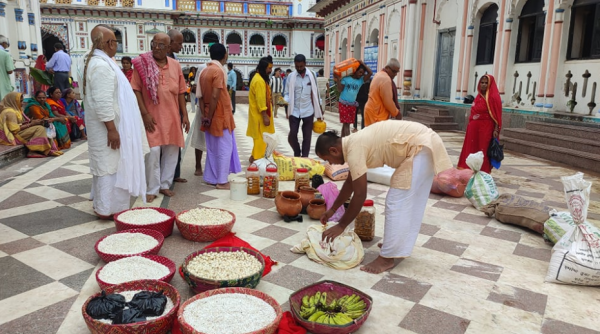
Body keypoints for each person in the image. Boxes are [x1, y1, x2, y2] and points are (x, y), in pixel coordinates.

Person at [315, 121, 453, 274]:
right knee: (407, 201)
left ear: (334, 151)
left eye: (327, 159)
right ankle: (395, 246)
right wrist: (333, 209)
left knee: (396, 201)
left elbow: (360, 194)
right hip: (423, 144)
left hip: (421, 147)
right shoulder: (353, 144)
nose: (329, 163)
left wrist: (341, 225)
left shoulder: (354, 149)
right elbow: (350, 182)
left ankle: (387, 258)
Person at [82, 26, 149, 219]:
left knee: (109, 164)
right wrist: (111, 129)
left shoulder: (94, 62)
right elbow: (102, 102)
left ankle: (106, 206)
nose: (116, 45)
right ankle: (107, 209)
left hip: (104, 126)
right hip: (108, 128)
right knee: (110, 167)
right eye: (115, 41)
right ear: (109, 44)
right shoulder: (102, 66)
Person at [132, 33, 190, 202]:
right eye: (154, 44)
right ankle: (152, 187)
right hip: (152, 116)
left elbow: (180, 91)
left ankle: (165, 185)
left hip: (171, 116)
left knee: (172, 151)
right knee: (153, 152)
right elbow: (136, 89)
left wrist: (184, 115)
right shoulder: (142, 64)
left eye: (161, 45)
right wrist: (145, 114)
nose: (156, 48)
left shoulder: (175, 65)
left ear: (168, 47)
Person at [198, 43, 242, 189]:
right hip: (219, 116)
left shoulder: (204, 71)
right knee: (224, 148)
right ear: (225, 55)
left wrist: (205, 116)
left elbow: (200, 96)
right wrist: (210, 116)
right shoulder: (219, 71)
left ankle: (211, 177)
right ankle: (222, 181)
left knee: (212, 147)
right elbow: (215, 95)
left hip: (208, 115)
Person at [457, 74, 502, 173]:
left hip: (486, 128)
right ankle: (468, 170)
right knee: (471, 148)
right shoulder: (478, 97)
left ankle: (483, 171)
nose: (484, 85)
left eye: (486, 83)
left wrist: (496, 129)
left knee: (483, 149)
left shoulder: (493, 97)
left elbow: (497, 115)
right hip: (473, 129)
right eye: (482, 82)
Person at [0, 92, 62, 157]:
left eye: (22, 101)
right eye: (20, 101)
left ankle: (43, 149)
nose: (22, 103)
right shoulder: (10, 112)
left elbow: (21, 123)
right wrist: (31, 124)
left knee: (41, 126)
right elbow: (14, 129)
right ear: (13, 101)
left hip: (16, 132)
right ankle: (33, 151)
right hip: (10, 136)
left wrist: (34, 122)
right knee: (39, 129)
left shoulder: (16, 110)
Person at [284, 54, 323, 157]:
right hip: (294, 110)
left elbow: (316, 92)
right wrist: (284, 101)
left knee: (307, 136)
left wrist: (319, 108)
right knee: (292, 134)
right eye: (297, 66)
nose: (299, 68)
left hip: (308, 110)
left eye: (301, 66)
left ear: (305, 64)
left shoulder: (312, 75)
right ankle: (297, 152)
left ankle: (304, 157)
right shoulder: (291, 76)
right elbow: (287, 93)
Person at [166, 29, 188, 184]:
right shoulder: (160, 60)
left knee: (176, 140)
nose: (181, 46)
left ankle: (175, 173)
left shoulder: (174, 60)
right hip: (164, 108)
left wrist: (184, 113)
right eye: (179, 43)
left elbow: (180, 89)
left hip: (175, 108)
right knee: (163, 144)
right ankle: (163, 178)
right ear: (170, 42)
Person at [247, 57, 275, 163]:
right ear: (263, 68)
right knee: (261, 139)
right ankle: (258, 160)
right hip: (260, 116)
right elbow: (260, 100)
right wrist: (264, 115)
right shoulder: (259, 81)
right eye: (269, 68)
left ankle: (254, 157)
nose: (270, 70)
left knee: (260, 138)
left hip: (259, 115)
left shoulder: (260, 78)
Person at [334, 60, 372, 137]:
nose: (361, 74)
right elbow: (340, 89)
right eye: (360, 72)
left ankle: (342, 140)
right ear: (355, 70)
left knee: (346, 123)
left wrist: (362, 63)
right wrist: (338, 79)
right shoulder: (346, 78)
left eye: (362, 73)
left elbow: (370, 73)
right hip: (343, 103)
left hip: (352, 104)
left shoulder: (361, 80)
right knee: (347, 123)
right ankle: (348, 141)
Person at [364, 59, 402, 127]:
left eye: (397, 72)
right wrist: (396, 113)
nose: (395, 74)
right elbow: (388, 101)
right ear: (387, 68)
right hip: (377, 114)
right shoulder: (385, 79)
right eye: (394, 71)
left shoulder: (379, 74)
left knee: (370, 136)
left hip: (372, 111)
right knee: (377, 137)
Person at [192, 63, 207, 177]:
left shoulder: (222, 68)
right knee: (199, 136)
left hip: (216, 109)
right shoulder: (202, 67)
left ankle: (212, 166)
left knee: (216, 139)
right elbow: (195, 87)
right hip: (202, 107)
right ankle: (198, 165)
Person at [0, 35, 15, 100]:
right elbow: (10, 70)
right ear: (3, 43)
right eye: (7, 44)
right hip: (2, 85)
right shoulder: (5, 54)